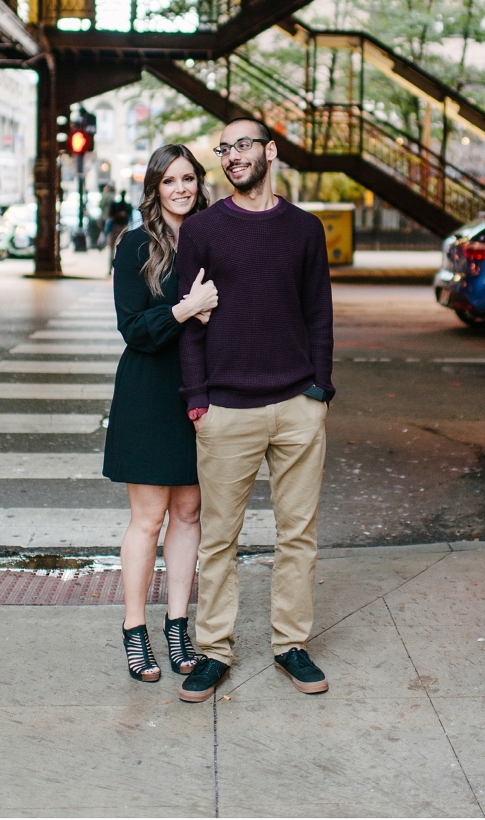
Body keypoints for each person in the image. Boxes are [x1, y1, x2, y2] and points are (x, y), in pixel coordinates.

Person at [175, 118, 334, 703]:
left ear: (270, 151)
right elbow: (188, 322)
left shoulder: (305, 229)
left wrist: (320, 389)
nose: (231, 156)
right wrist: (198, 400)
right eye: (223, 149)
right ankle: (213, 651)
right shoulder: (204, 231)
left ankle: (291, 644)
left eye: (241, 145)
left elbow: (319, 312)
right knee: (219, 538)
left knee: (299, 536)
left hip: (297, 405)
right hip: (227, 410)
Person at [103, 145, 218, 682]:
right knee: (148, 519)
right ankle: (134, 630)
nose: (180, 188)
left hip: (201, 389)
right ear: (154, 187)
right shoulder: (135, 246)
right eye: (169, 180)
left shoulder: (212, 236)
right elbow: (134, 329)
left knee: (190, 514)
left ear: (199, 182)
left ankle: (177, 625)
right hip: (149, 391)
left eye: (188, 178)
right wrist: (185, 309)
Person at [107, 189, 133, 272]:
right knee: (116, 249)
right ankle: (112, 268)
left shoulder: (120, 205)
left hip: (120, 226)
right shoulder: (124, 205)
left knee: (114, 249)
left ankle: (112, 268)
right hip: (121, 226)